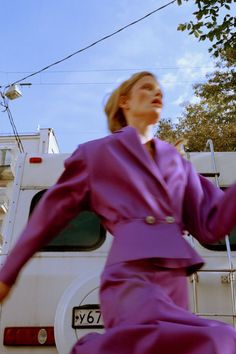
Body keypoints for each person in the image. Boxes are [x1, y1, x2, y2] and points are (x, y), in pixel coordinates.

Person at [0, 71, 236, 354]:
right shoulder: (97, 154)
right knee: (218, 341)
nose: (156, 93)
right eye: (147, 88)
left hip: (174, 283)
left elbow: (211, 224)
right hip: (131, 277)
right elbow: (48, 215)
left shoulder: (177, 162)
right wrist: (6, 275)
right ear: (125, 102)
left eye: (159, 89)